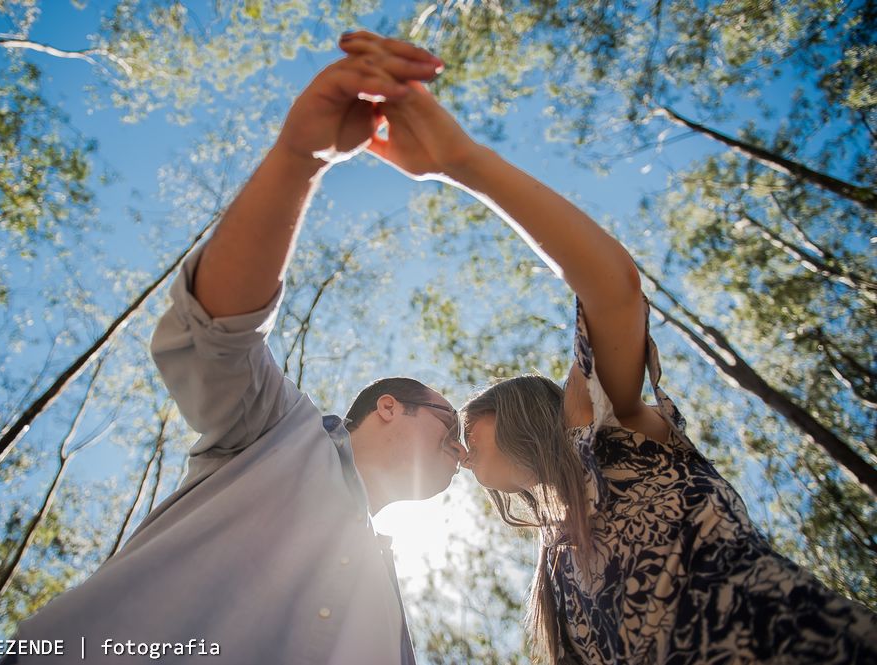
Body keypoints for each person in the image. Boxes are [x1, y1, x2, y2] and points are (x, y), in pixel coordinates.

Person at [335, 29, 877, 665]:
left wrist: (462, 162)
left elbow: (615, 293)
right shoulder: (554, 572)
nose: (458, 448)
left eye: (464, 425)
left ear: (519, 411)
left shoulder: (610, 439)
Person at [0, 33, 466, 664]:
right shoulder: (277, 431)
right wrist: (301, 157)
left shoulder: (394, 626)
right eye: (449, 423)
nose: (462, 450)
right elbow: (215, 334)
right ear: (389, 407)